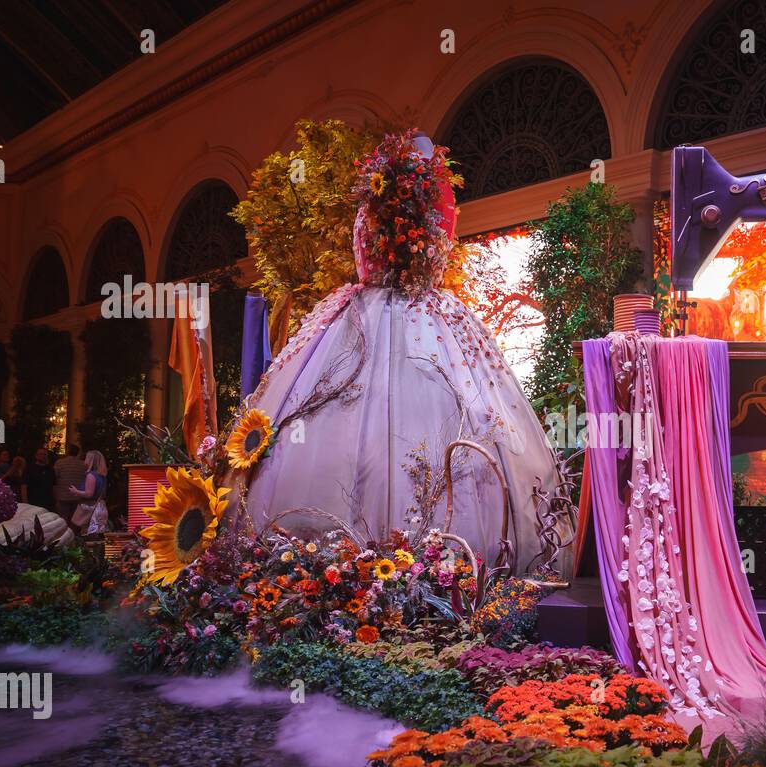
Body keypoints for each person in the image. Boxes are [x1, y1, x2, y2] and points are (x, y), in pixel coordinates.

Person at [236, 130, 568, 572]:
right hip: (401, 314)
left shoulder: (422, 195)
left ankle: (411, 570)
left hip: (404, 314)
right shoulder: (409, 192)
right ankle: (357, 571)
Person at [68, 450, 108, 535]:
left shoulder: (91, 475)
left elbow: (89, 494)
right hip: (99, 506)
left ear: (90, 460)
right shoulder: (102, 475)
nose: (84, 460)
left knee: (78, 531)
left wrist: (76, 491)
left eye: (86, 458)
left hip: (88, 508)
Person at [53, 444, 85, 523]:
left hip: (63, 495)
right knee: (74, 519)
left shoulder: (59, 463)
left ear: (68, 451)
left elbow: (54, 477)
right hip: (77, 496)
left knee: (63, 518)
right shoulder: (83, 464)